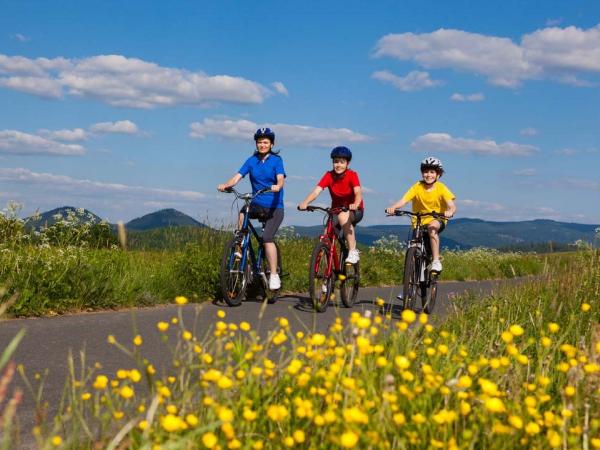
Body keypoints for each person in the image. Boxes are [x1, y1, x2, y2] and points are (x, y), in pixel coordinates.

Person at [217, 127, 286, 290]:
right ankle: (240, 245)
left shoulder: (277, 160)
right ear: (256, 144)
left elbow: (281, 178)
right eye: (259, 142)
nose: (262, 145)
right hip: (257, 203)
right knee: (243, 212)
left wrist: (278, 186)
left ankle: (274, 274)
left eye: (265, 142)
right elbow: (237, 176)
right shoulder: (251, 160)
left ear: (271, 144)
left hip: (274, 207)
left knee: (267, 238)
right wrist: (227, 185)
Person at [386, 156, 456, 273]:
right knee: (414, 245)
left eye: (432, 172)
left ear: (438, 175)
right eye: (425, 171)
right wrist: (393, 207)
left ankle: (436, 261)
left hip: (437, 219)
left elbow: (452, 205)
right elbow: (404, 200)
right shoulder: (417, 186)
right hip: (419, 221)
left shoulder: (441, 188)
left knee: (432, 228)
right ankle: (413, 276)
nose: (428, 175)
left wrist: (450, 211)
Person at [298, 146, 363, 264]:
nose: (338, 165)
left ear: (347, 164)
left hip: (354, 210)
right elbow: (316, 191)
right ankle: (325, 272)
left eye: (342, 162)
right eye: (335, 162)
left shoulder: (352, 175)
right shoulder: (329, 175)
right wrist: (305, 202)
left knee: (343, 217)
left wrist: (355, 204)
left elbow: (358, 192)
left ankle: (353, 251)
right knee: (325, 236)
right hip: (336, 210)